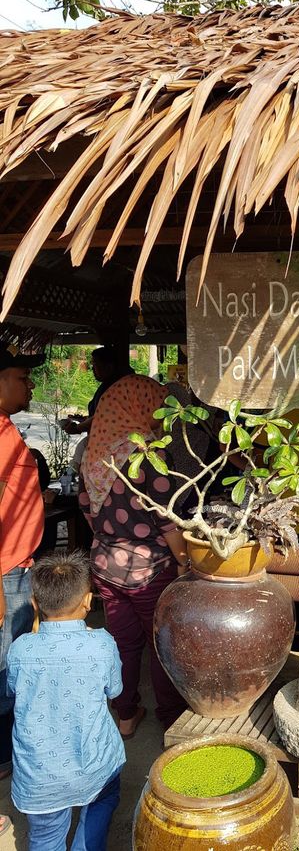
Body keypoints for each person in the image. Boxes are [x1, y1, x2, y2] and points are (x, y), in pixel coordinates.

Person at [80, 374, 188, 734]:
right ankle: (170, 719)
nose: (161, 412)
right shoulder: (146, 454)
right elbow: (166, 520)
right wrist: (185, 562)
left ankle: (125, 716)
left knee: (124, 643)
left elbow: (87, 510)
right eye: (157, 404)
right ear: (139, 407)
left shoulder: (93, 452)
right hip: (149, 569)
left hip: (105, 566)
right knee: (160, 645)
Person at [7, 552, 125, 850]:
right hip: (95, 768)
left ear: (35, 603)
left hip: (39, 778)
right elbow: (115, 690)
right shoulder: (102, 643)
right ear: (88, 601)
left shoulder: (20, 650)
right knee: (101, 805)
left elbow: (12, 691)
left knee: (45, 838)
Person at [0, 342, 46, 833]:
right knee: (7, 661)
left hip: (18, 563)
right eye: (20, 376)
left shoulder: (8, 429)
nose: (28, 385)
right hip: (5, 569)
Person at [62, 346, 131, 436]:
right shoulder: (110, 385)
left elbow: (101, 418)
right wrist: (84, 419)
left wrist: (77, 428)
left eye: (95, 365)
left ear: (109, 367)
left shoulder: (114, 389)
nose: (92, 369)